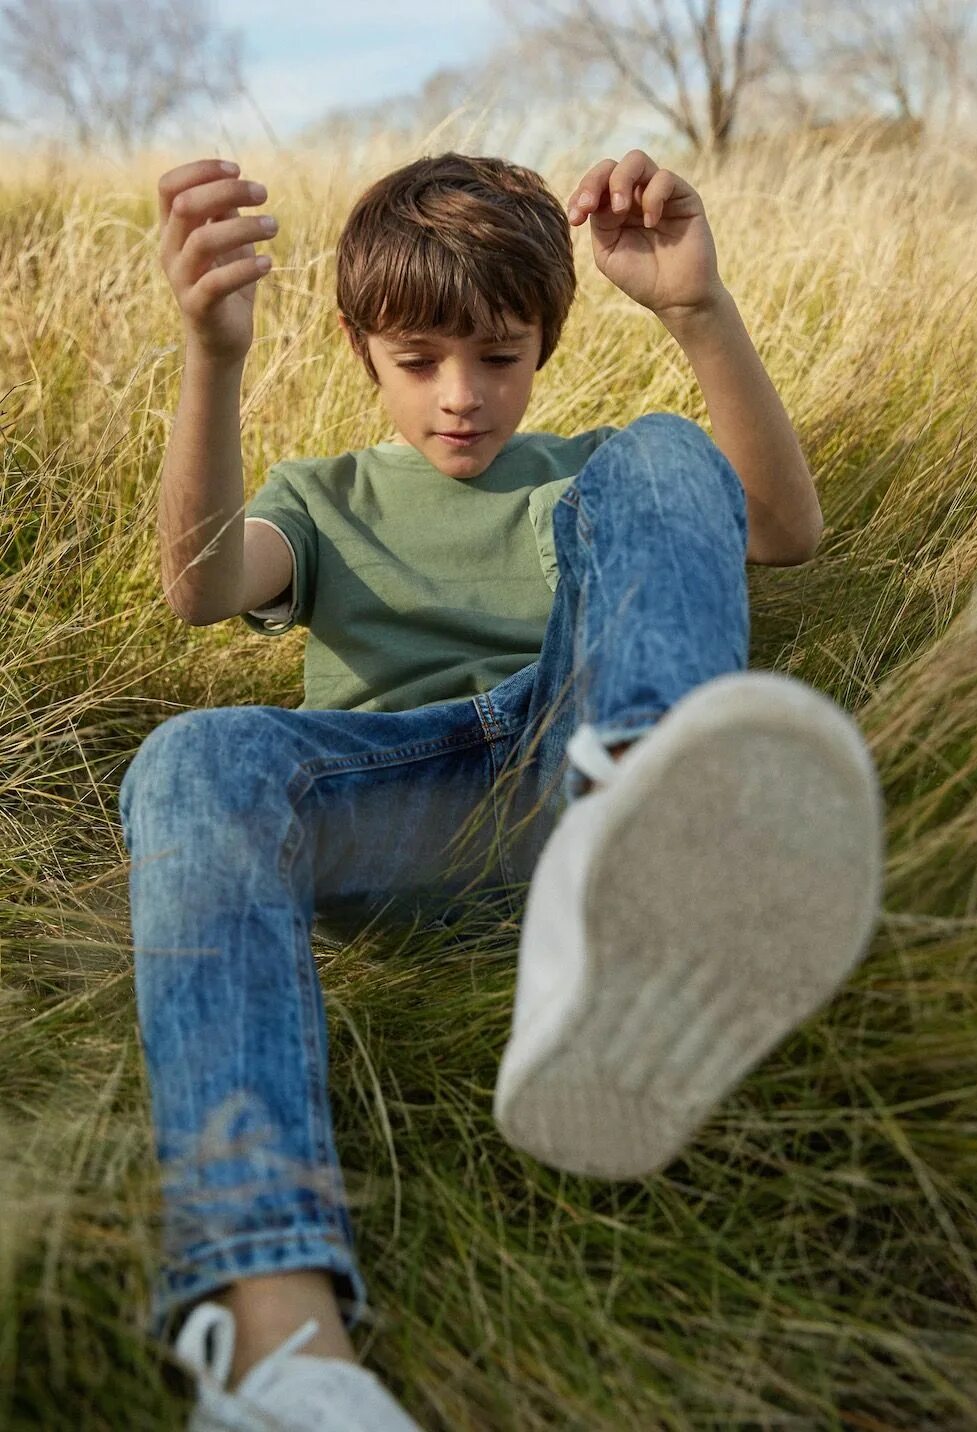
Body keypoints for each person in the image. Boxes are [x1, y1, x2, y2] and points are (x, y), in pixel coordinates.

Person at [119, 147, 885, 1432]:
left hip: (564, 778)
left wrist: (694, 310)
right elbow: (198, 587)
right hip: (386, 813)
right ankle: (275, 1346)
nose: (462, 398)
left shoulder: (589, 480)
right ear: (362, 346)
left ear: (545, 343)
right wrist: (211, 354)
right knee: (189, 760)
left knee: (662, 449)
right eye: (419, 361)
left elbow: (779, 527)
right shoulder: (325, 497)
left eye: (499, 356)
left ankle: (635, 863)